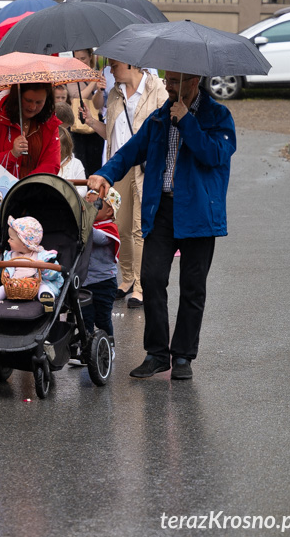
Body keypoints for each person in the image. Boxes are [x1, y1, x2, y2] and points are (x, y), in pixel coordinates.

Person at [87, 71, 236, 381]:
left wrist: (188, 122)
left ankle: (183, 356)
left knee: (193, 288)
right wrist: (105, 174)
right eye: (167, 79)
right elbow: (130, 151)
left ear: (194, 80)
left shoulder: (218, 116)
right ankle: (157, 354)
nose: (168, 86)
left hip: (198, 211)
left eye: (175, 81)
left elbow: (215, 155)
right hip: (163, 210)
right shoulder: (159, 117)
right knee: (152, 279)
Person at [82, 59, 168, 310]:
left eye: (114, 64)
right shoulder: (115, 94)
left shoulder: (158, 90)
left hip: (145, 168)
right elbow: (111, 133)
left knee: (140, 227)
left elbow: (163, 133)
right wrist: (91, 121)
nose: (109, 69)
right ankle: (127, 278)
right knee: (121, 225)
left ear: (131, 64)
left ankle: (140, 286)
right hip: (118, 167)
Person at [0, 83, 61, 282]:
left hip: (32, 201)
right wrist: (11, 154)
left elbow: (52, 164)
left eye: (39, 102)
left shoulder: (49, 124)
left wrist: (24, 187)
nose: (33, 107)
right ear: (18, 96)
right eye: (28, 101)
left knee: (29, 272)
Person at [0, 216, 63, 306]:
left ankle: (47, 299)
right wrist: (6, 272)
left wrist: (44, 268)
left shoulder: (43, 256)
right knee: (3, 289)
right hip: (15, 287)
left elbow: (55, 274)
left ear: (24, 243)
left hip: (35, 285)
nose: (8, 241)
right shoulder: (10, 255)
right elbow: (8, 269)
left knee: (44, 288)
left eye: (11, 238)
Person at [81, 188, 121, 342]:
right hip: (84, 281)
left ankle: (108, 347)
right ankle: (86, 351)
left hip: (104, 283)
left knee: (103, 319)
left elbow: (99, 239)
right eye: (86, 203)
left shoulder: (109, 228)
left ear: (109, 211)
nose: (89, 207)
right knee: (85, 318)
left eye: (95, 204)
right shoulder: (86, 226)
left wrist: (84, 222)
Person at [69, 49, 106, 176]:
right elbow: (77, 96)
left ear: (91, 57)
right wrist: (94, 82)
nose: (80, 62)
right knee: (80, 162)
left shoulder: (99, 75)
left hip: (95, 124)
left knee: (95, 163)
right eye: (77, 59)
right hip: (78, 124)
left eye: (83, 58)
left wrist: (99, 87)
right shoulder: (71, 76)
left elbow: (100, 103)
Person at [56, 126, 87, 196]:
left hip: (70, 203)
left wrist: (68, 196)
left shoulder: (76, 164)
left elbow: (83, 189)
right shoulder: (44, 163)